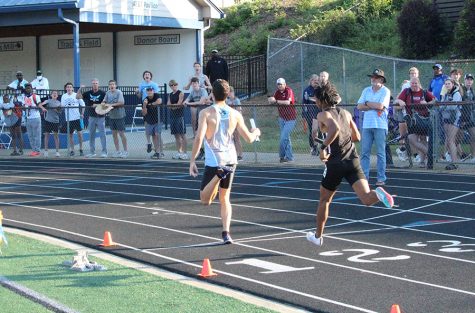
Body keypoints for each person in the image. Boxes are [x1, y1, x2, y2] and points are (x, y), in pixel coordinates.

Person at [306, 82, 394, 247]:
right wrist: (339, 141)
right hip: (352, 159)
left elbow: (335, 129)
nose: (315, 102)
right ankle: (379, 194)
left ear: (322, 100)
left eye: (316, 99)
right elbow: (357, 136)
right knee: (367, 198)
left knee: (324, 200)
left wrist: (324, 147)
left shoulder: (322, 115)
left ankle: (318, 236)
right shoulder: (345, 113)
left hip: (335, 163)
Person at [189, 79, 261, 244]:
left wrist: (192, 160)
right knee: (225, 198)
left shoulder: (206, 113)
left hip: (214, 160)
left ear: (212, 94)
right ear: (228, 95)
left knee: (205, 200)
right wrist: (256, 132)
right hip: (230, 158)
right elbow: (249, 139)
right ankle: (226, 233)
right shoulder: (235, 113)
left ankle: (218, 176)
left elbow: (199, 137)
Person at [356, 69, 391, 186]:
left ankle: (381, 178)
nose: (373, 79)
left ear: (381, 80)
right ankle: (364, 177)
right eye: (372, 77)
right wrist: (371, 105)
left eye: (375, 77)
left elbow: (381, 106)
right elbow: (359, 106)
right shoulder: (366, 90)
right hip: (367, 125)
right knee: (365, 152)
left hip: (380, 125)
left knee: (381, 153)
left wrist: (367, 103)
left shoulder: (386, 91)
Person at [394, 77, 436, 167]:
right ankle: (430, 154)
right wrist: (400, 101)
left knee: (423, 139)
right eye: (412, 83)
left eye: (415, 83)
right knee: (411, 139)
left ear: (419, 83)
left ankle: (423, 161)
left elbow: (434, 100)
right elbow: (397, 100)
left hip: (424, 120)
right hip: (412, 121)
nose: (413, 85)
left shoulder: (424, 92)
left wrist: (427, 103)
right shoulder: (406, 91)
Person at [268, 78, 296, 163]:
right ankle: (289, 157)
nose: (279, 86)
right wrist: (271, 100)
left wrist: (276, 101)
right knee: (286, 138)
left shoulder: (288, 90)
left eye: (281, 84)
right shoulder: (277, 92)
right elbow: (272, 102)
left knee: (283, 137)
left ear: (285, 84)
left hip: (290, 118)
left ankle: (282, 156)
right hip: (282, 118)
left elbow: (288, 102)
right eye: (278, 84)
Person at [77, 78, 107, 158]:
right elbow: (77, 97)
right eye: (93, 83)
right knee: (91, 135)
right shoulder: (88, 93)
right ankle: (92, 152)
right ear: (91, 85)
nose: (95, 84)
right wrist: (80, 88)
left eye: (96, 83)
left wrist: (97, 105)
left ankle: (104, 152)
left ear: (98, 84)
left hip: (101, 116)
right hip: (91, 117)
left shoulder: (102, 93)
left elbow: (106, 104)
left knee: (102, 134)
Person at [440, 78, 462, 170]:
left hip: (454, 119)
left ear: (453, 84)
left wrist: (445, 105)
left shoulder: (456, 93)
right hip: (446, 119)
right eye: (446, 84)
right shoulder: (445, 94)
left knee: (451, 141)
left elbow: (453, 106)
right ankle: (453, 160)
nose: (447, 85)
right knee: (449, 140)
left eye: (449, 83)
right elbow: (441, 106)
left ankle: (455, 162)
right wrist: (445, 104)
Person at [136, 70, 159, 153]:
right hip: (144, 104)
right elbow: (139, 96)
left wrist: (152, 102)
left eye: (148, 74)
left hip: (152, 105)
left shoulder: (154, 84)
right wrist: (137, 92)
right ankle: (149, 142)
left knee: (155, 129)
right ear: (144, 76)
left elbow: (156, 95)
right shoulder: (141, 84)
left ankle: (159, 151)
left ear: (150, 76)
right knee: (146, 124)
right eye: (145, 74)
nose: (147, 75)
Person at [103, 80, 127, 158]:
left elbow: (121, 102)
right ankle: (118, 151)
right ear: (109, 86)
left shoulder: (119, 92)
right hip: (111, 116)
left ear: (116, 85)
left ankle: (125, 151)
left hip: (119, 116)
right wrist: (103, 104)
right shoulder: (107, 93)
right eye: (110, 84)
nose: (112, 85)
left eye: (113, 84)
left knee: (121, 134)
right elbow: (104, 101)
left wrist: (110, 105)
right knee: (114, 134)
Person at [61, 82, 85, 157]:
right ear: (66, 88)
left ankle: (81, 149)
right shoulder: (64, 96)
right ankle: (72, 150)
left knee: (80, 134)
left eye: (70, 87)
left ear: (72, 88)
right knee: (70, 135)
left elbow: (83, 104)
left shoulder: (76, 95)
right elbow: (62, 105)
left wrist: (82, 114)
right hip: (68, 118)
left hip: (77, 118)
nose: (69, 88)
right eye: (67, 87)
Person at [167, 80, 188, 160]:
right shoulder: (170, 94)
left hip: (180, 116)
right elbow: (168, 105)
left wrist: (173, 106)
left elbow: (179, 104)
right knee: (176, 135)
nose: (173, 86)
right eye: (171, 85)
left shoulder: (181, 93)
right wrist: (173, 106)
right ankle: (179, 152)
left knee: (182, 134)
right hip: (172, 117)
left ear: (177, 84)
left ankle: (185, 153)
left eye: (174, 85)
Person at [38, 90, 62, 157]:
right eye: (53, 93)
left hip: (55, 121)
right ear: (51, 95)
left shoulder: (59, 103)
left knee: (56, 136)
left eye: (56, 94)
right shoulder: (48, 101)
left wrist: (56, 110)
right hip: (48, 120)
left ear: (57, 96)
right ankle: (46, 151)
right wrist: (43, 108)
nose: (54, 94)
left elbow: (60, 112)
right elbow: (40, 105)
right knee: (46, 136)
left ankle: (57, 152)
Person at [143, 87, 163, 159]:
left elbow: (159, 101)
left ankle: (161, 152)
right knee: (153, 136)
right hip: (150, 120)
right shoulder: (145, 99)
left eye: (151, 90)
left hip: (158, 119)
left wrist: (150, 104)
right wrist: (145, 105)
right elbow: (144, 113)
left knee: (158, 135)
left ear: (153, 91)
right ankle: (157, 152)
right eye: (148, 91)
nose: (149, 92)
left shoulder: (156, 95)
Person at [22, 83, 42, 156]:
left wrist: (32, 106)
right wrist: (24, 108)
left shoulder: (36, 96)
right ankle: (33, 150)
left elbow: (39, 106)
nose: (27, 89)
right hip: (28, 118)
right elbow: (24, 107)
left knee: (37, 135)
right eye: (26, 88)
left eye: (29, 88)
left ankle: (37, 150)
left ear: (31, 89)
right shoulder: (24, 97)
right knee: (30, 135)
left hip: (36, 118)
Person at [302, 74, 320, 156]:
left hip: (320, 113)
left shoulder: (320, 89)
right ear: (311, 81)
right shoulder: (307, 90)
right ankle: (313, 147)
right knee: (312, 130)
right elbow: (304, 103)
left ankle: (321, 147)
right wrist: (304, 115)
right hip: (310, 113)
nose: (316, 82)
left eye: (317, 80)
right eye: (314, 80)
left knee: (321, 132)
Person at [460, 74, 475, 163]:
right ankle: (449, 154)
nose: (469, 81)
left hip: (470, 118)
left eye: (471, 80)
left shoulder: (472, 91)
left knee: (474, 136)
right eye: (467, 79)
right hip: (461, 119)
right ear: (464, 80)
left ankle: (473, 157)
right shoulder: (461, 89)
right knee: (456, 139)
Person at [226, 86, 243, 160]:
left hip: (236, 121)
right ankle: (234, 153)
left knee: (237, 138)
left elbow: (239, 111)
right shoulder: (227, 101)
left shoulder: (236, 100)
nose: (228, 94)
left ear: (232, 92)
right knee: (231, 138)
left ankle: (240, 154)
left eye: (229, 92)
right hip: (230, 121)